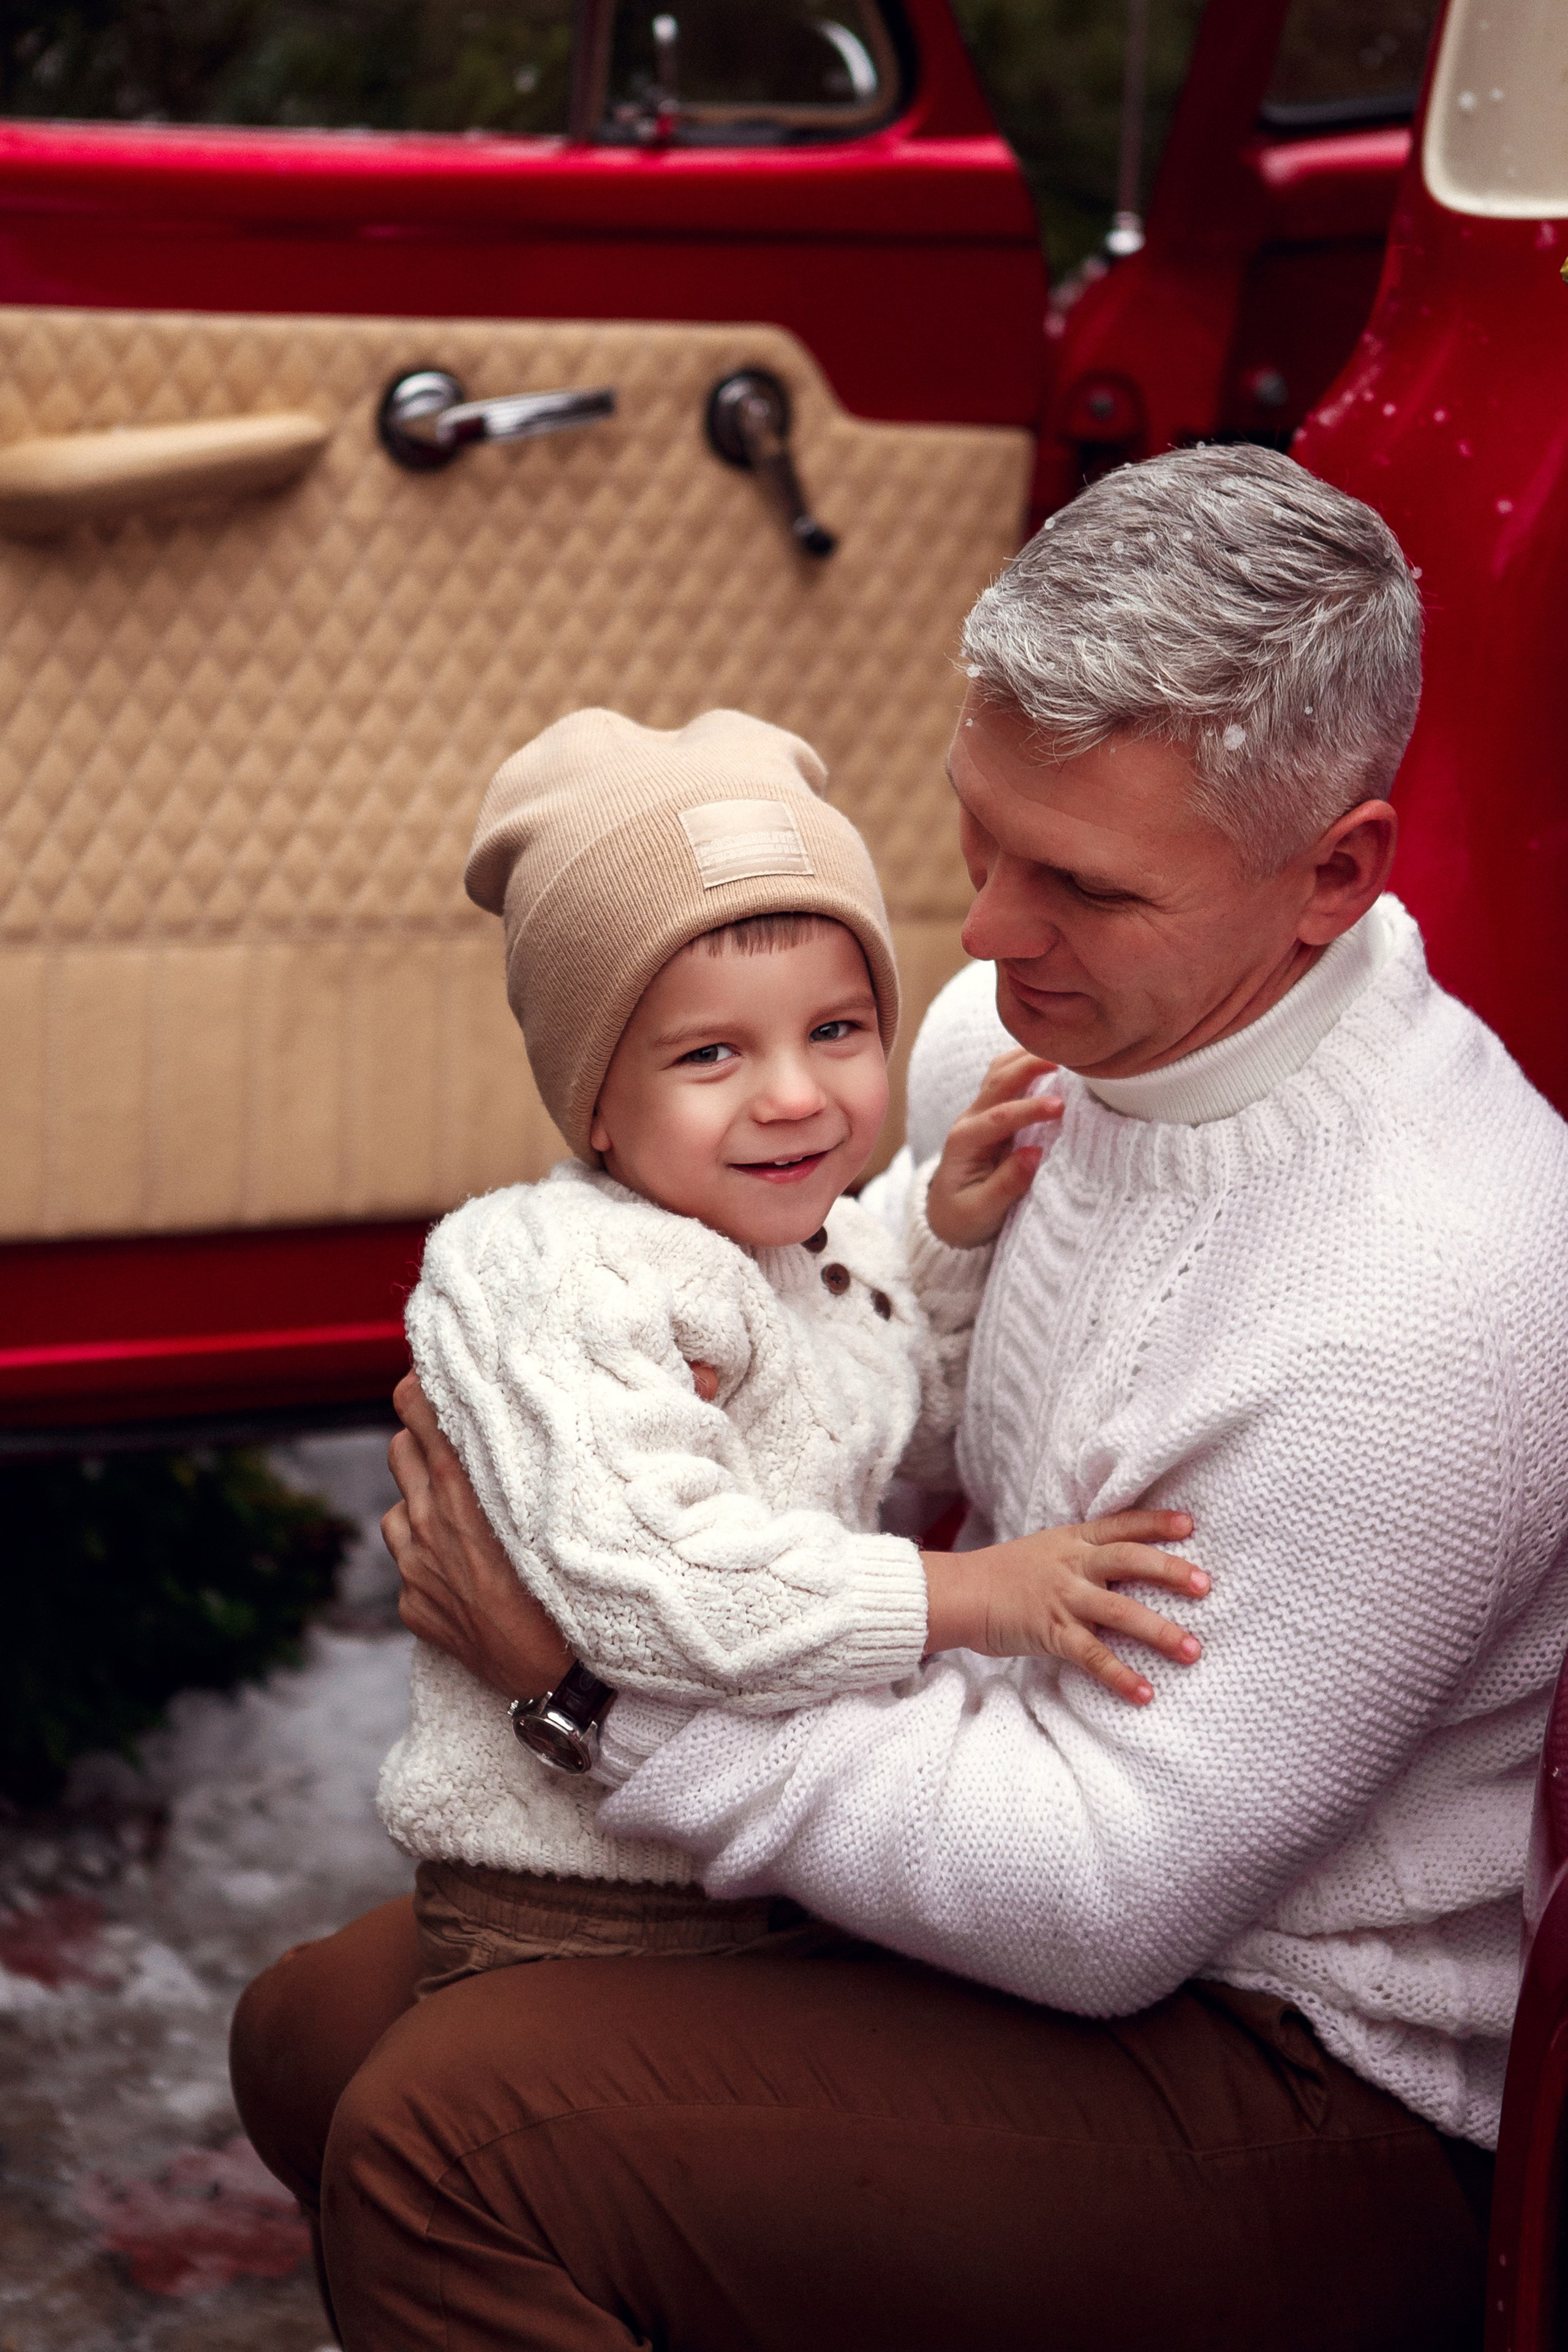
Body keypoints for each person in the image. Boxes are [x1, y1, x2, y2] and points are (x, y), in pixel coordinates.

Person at [232, 445, 1568, 2352]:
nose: (991, 934)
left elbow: (1110, 1896)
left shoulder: (1425, 1307)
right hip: (994, 1874)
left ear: (1333, 876)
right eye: (982, 835)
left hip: (1290, 2080)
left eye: (1086, 886)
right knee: (312, 2036)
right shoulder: (1014, 1052)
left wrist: (589, 1693)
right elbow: (879, 1404)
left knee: (451, 2148)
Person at [380, 704, 1203, 1994]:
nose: (793, 1095)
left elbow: (898, 1421)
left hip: (746, 1868)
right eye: (711, 1053)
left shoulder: (796, 1243)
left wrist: (933, 1239)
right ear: (592, 1096)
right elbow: (664, 1590)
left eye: (834, 1030)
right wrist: (977, 1597)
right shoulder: (559, 1269)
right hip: (573, 1908)